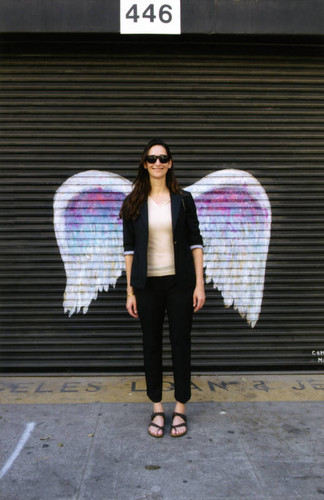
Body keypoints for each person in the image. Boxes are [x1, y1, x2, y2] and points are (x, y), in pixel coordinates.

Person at [120, 138, 205, 438]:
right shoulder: (133, 203)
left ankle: (180, 407)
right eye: (152, 159)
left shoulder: (184, 200)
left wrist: (200, 285)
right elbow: (129, 250)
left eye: (163, 158)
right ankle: (157, 407)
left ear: (170, 163)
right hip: (147, 286)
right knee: (151, 345)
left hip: (180, 283)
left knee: (181, 344)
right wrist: (130, 291)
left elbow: (196, 243)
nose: (157, 163)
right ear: (144, 165)